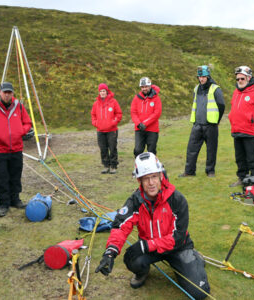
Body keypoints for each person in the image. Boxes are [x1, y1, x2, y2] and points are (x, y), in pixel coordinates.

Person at [95, 152, 210, 299]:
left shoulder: (177, 200)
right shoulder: (135, 201)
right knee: (131, 259)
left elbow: (178, 238)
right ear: (139, 180)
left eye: (154, 176)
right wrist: (110, 252)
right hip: (151, 248)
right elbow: (120, 226)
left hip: (177, 247)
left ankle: (194, 259)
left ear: (161, 175)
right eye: (146, 178)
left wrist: (145, 246)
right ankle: (142, 272)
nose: (151, 183)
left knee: (199, 293)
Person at [0, 82, 32, 217]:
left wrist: (21, 131)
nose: (7, 95)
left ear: (12, 93)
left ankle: (15, 200)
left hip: (16, 149)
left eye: (10, 92)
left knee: (15, 176)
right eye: (5, 92)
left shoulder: (19, 107)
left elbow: (28, 123)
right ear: (0, 92)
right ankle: (3, 204)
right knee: (1, 177)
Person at [179, 65, 225, 178]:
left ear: (208, 76)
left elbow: (222, 105)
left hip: (211, 125)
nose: (201, 79)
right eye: (199, 77)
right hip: (197, 124)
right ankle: (189, 172)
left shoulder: (215, 89)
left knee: (211, 150)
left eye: (203, 76)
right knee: (191, 149)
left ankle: (210, 172)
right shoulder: (196, 88)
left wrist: (217, 120)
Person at [91, 83, 122, 174]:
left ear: (107, 91)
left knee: (112, 148)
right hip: (100, 130)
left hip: (112, 130)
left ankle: (113, 166)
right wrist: (95, 123)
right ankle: (106, 165)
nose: (102, 93)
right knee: (103, 149)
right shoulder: (96, 104)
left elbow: (119, 114)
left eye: (104, 91)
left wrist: (113, 122)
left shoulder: (113, 102)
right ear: (99, 92)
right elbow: (93, 115)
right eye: (100, 91)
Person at [131, 77, 162, 157]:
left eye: (146, 86)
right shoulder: (136, 98)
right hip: (139, 129)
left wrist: (145, 123)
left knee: (151, 150)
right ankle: (138, 166)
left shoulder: (156, 99)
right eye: (142, 87)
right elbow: (133, 113)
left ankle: (152, 167)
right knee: (138, 150)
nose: (144, 89)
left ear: (150, 86)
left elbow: (157, 113)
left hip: (152, 129)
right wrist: (138, 123)